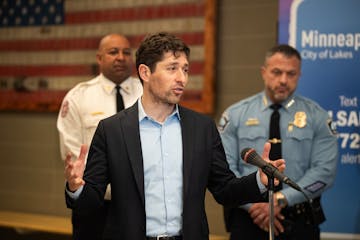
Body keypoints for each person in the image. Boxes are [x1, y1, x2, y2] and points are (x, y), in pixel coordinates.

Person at [64, 32, 285, 240]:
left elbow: (224, 189)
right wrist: (76, 189)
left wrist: (259, 180)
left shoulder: (202, 128)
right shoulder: (111, 130)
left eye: (186, 70)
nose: (182, 78)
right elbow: (91, 201)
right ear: (145, 73)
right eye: (172, 69)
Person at [218, 44, 338, 240]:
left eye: (291, 74)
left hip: (299, 218)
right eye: (277, 72)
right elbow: (224, 169)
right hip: (248, 218)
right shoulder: (235, 115)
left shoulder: (317, 116)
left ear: (299, 75)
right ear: (264, 73)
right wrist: (254, 206)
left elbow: (325, 173)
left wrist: (280, 199)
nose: (283, 80)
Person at [57, 34, 143, 239]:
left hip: (140, 205)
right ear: (99, 58)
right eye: (113, 52)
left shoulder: (146, 93)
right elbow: (73, 152)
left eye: (126, 52)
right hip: (95, 204)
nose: (121, 57)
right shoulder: (79, 96)